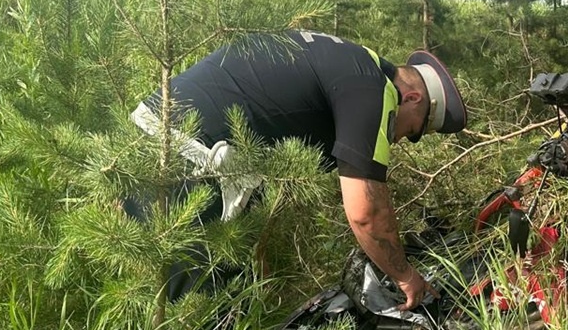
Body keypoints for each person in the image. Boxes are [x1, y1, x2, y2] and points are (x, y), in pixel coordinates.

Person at [126, 29, 467, 310]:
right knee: (201, 315)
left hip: (148, 136)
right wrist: (405, 275)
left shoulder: (349, 59)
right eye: (410, 132)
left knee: (161, 299)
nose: (397, 139)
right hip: (189, 154)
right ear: (413, 99)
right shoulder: (372, 89)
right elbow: (366, 213)